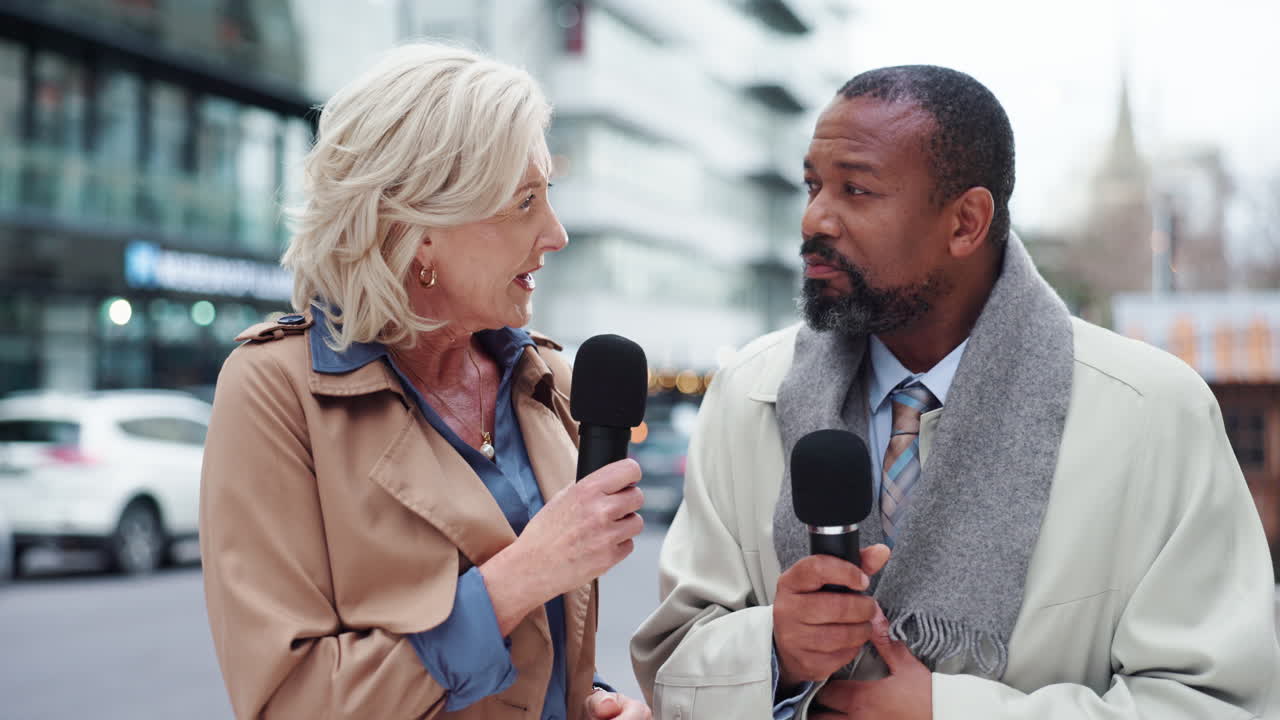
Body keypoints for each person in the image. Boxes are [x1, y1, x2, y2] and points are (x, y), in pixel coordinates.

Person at [631, 65, 1278, 719]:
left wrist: (950, 711)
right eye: (812, 186)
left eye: (855, 189)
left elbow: (1217, 702)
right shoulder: (746, 393)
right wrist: (774, 652)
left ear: (966, 223)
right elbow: (672, 664)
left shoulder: (1154, 416)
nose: (814, 218)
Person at [200, 43, 652, 720]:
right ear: (420, 228)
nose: (555, 234)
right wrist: (522, 576)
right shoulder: (275, 391)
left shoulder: (545, 379)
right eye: (524, 202)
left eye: (548, 197)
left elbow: (544, 651)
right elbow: (291, 702)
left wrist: (596, 701)